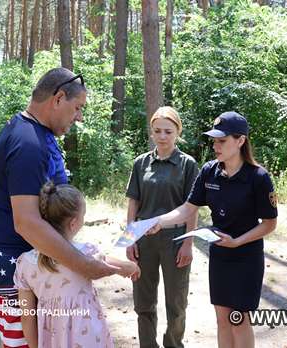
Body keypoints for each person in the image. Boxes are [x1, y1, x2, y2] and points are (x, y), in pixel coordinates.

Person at [0, 67, 118, 348]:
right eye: (77, 108)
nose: (79, 117)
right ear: (58, 98)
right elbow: (27, 222)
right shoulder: (27, 144)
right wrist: (83, 265)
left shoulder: (33, 132)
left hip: (37, 264)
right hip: (18, 264)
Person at [146, 111, 278, 348]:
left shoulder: (258, 177)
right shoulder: (209, 171)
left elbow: (269, 224)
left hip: (246, 257)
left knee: (239, 320)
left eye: (222, 141)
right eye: (214, 141)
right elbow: (187, 208)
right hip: (220, 255)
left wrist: (238, 241)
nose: (216, 146)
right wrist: (159, 221)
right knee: (222, 319)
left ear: (240, 141)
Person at [13, 182, 140, 347]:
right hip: (87, 338)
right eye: (83, 215)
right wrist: (132, 267)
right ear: (73, 224)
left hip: (52, 341)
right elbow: (118, 266)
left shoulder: (25, 263)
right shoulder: (85, 254)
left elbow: (27, 315)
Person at [125, 106, 199, 348]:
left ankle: (173, 344)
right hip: (144, 240)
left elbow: (192, 207)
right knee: (143, 302)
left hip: (176, 240)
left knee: (176, 303)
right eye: (157, 131)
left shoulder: (188, 165)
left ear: (177, 132)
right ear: (152, 133)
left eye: (168, 131)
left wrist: (188, 243)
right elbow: (133, 203)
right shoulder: (141, 163)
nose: (162, 136)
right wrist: (129, 239)